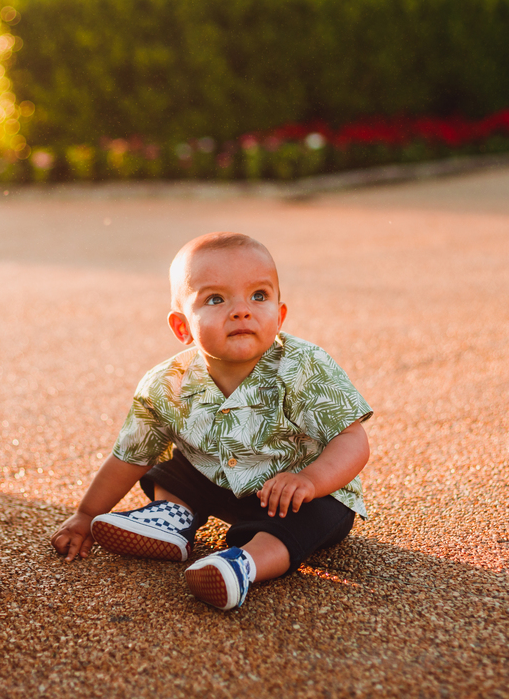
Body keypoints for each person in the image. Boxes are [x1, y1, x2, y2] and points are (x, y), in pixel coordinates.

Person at [50, 232, 372, 610]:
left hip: (297, 495)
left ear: (280, 314)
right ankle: (173, 517)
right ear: (182, 327)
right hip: (219, 483)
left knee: (310, 520)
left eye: (259, 296)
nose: (241, 310)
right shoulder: (167, 384)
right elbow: (131, 456)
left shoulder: (304, 366)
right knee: (173, 468)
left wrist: (310, 481)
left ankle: (243, 564)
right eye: (216, 299)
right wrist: (86, 514)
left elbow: (352, 439)